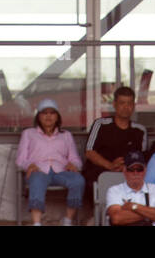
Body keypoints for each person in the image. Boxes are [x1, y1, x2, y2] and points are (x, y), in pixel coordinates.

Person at [16, 98, 85, 226]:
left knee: (78, 180)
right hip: (38, 170)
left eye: (52, 113)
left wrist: (74, 164)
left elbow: (75, 158)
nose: (48, 116)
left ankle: (68, 220)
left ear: (57, 117)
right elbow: (20, 160)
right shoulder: (28, 134)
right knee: (36, 180)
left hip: (61, 171)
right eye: (44, 113)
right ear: (38, 116)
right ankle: (37, 223)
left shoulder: (66, 135)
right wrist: (28, 165)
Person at [83, 86, 147, 190]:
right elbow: (89, 152)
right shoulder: (100, 124)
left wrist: (127, 168)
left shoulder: (140, 130)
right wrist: (110, 166)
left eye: (129, 103)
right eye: (122, 103)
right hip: (100, 172)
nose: (126, 107)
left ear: (134, 106)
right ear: (114, 104)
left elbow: (142, 159)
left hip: (129, 175)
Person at [105, 152, 155, 227]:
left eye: (139, 169)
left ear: (145, 170)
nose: (135, 173)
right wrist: (152, 214)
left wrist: (134, 206)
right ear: (124, 171)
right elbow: (117, 218)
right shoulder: (114, 190)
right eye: (131, 169)